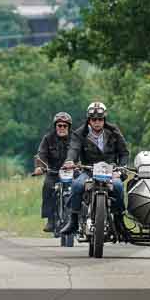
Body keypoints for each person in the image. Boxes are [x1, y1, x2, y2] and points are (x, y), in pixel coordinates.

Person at [60, 101, 129, 235]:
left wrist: (120, 169)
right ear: (89, 120)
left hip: (111, 171)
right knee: (77, 185)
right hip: (88, 170)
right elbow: (73, 149)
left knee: (119, 187)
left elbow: (124, 152)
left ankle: (119, 221)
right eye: (94, 119)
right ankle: (73, 220)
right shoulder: (79, 133)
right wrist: (69, 161)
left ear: (104, 119)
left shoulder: (114, 131)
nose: (97, 122)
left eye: (100, 119)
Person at [33, 112, 72, 232]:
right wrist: (40, 167)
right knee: (47, 187)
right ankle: (50, 220)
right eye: (59, 125)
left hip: (71, 172)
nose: (62, 128)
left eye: (64, 126)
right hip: (53, 171)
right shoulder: (48, 138)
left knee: (80, 188)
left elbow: (81, 152)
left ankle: (79, 216)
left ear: (69, 127)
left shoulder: (75, 138)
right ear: (55, 126)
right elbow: (41, 154)